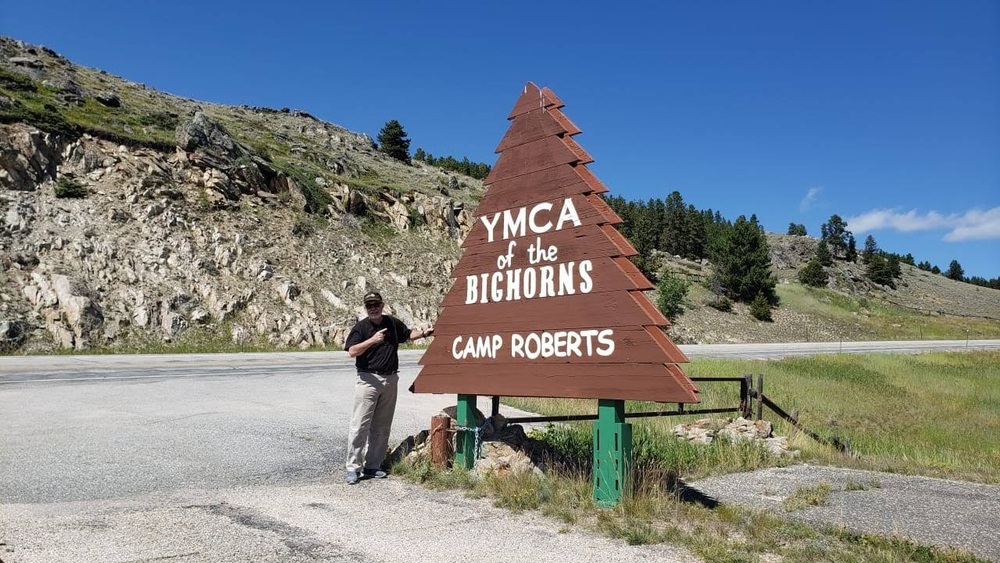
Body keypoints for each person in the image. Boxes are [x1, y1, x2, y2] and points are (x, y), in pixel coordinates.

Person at [343, 291, 434, 485]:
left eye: (376, 304)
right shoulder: (361, 328)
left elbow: (408, 334)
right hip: (368, 379)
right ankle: (353, 467)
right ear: (366, 308)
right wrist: (372, 341)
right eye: (369, 306)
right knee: (360, 425)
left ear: (383, 305)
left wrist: (424, 333)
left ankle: (372, 466)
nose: (373, 308)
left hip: (390, 379)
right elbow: (351, 351)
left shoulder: (392, 323)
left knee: (382, 427)